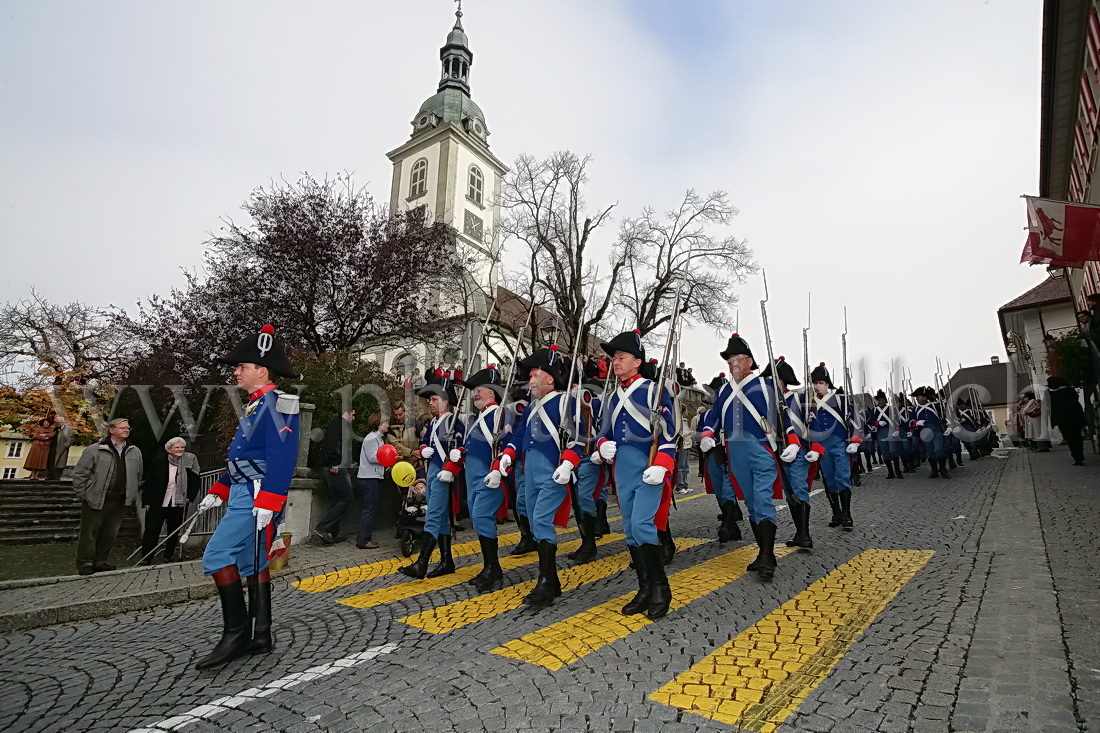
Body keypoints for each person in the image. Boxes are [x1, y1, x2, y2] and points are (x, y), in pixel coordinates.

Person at [194, 324, 299, 670]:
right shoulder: (256, 406)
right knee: (252, 562)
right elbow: (243, 458)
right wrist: (218, 490)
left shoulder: (279, 405)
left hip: (256, 497)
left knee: (217, 553)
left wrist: (270, 502)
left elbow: (282, 458)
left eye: (242, 366)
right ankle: (261, 635)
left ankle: (235, 634)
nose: (236, 371)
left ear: (261, 370)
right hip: (244, 492)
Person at [596, 329, 676, 618]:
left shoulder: (655, 391)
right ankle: (643, 588)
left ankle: (660, 587)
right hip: (623, 471)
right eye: (614, 358)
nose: (615, 362)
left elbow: (670, 434)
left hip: (649, 467)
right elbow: (602, 433)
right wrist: (602, 445)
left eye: (621, 357)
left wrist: (662, 464)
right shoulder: (611, 397)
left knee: (643, 525)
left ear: (637, 361)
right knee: (630, 529)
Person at [493, 346, 575, 609]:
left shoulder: (564, 402)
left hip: (554, 474)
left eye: (535, 374)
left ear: (550, 378)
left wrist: (568, 464)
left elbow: (579, 438)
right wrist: (507, 455)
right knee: (533, 518)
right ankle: (553, 581)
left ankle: (544, 583)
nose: (530, 379)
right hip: (529, 475)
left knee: (540, 522)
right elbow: (518, 439)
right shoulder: (529, 409)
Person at [700, 335, 784, 578]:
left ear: (749, 361)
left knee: (762, 499)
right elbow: (714, 416)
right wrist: (707, 433)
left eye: (737, 360)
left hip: (760, 450)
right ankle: (762, 552)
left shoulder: (765, 386)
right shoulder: (723, 391)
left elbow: (782, 415)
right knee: (751, 503)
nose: (733, 365)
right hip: (734, 454)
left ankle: (768, 556)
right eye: (729, 361)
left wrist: (791, 440)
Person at [399, 372, 465, 579]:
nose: (431, 402)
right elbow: (425, 442)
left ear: (445, 401)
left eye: (434, 399)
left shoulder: (455, 423)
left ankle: (422, 563)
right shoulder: (434, 423)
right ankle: (447, 561)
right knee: (443, 519)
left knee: (434, 516)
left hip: (446, 474)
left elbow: (461, 449)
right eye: (430, 399)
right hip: (433, 471)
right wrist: (424, 448)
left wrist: (453, 463)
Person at [71, 418, 143, 575]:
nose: (127, 430)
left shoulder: (135, 451)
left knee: (110, 533)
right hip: (96, 498)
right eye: (123, 427)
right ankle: (85, 563)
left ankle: (100, 561)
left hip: (120, 500)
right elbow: (80, 474)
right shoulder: (95, 450)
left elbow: (138, 474)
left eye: (128, 427)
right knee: (89, 533)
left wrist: (131, 493)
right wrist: (83, 494)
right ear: (111, 430)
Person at [760, 356, 818, 549]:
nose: (769, 381)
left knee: (799, 488)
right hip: (778, 450)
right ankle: (800, 533)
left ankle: (805, 534)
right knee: (790, 492)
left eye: (772, 378)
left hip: (799, 449)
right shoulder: (765, 401)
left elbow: (814, 424)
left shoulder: (799, 398)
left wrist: (816, 449)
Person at [462, 365, 508, 589]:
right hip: (473, 479)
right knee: (478, 520)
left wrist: (498, 469)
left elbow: (507, 444)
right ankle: (490, 567)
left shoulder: (499, 414)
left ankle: (493, 568)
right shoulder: (477, 418)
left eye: (479, 390)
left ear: (491, 391)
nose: (475, 394)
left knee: (482, 517)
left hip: (489, 476)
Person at [808, 363, 861, 526]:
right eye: (815, 383)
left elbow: (856, 422)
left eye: (821, 383)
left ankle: (847, 514)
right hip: (822, 447)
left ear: (827, 385)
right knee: (829, 480)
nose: (818, 386)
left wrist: (855, 441)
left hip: (839, 444)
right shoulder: (809, 403)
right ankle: (836, 513)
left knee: (842, 478)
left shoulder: (840, 400)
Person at [140, 437, 201, 564]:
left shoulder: (188, 462)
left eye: (182, 447)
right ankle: (147, 557)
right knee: (152, 529)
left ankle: (168, 556)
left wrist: (190, 496)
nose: (180, 450)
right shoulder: (159, 462)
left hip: (178, 502)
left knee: (173, 530)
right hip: (158, 501)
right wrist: (146, 501)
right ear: (169, 450)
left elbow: (195, 481)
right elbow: (149, 482)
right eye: (177, 447)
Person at [314, 408, 356, 545]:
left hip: (335, 465)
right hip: (336, 467)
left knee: (337, 499)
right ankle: (323, 527)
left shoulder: (338, 426)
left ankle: (332, 533)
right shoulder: (338, 425)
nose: (354, 418)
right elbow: (331, 445)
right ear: (348, 413)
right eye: (353, 415)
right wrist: (335, 463)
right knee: (347, 498)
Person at [356, 413, 387, 550]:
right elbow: (373, 458)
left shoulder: (378, 439)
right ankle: (363, 539)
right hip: (369, 477)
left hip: (374, 476)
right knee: (369, 509)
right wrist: (389, 458)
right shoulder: (372, 439)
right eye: (385, 423)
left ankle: (365, 538)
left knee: (371, 508)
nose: (388, 425)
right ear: (378, 424)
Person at [911, 385, 950, 478]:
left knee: (939, 449)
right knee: (930, 452)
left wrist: (949, 427)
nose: (918, 399)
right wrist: (916, 422)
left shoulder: (935, 405)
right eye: (918, 397)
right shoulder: (915, 409)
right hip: (925, 432)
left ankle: (943, 470)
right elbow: (911, 421)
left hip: (937, 431)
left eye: (920, 397)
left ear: (925, 397)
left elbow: (945, 417)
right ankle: (934, 470)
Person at [1047, 375, 1087, 465]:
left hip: (1063, 420)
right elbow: (1076, 400)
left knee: (1070, 438)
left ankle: (1077, 457)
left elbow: (1050, 407)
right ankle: (1080, 454)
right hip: (1075, 417)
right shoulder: (1069, 390)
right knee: (1077, 437)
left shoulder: (1051, 394)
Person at [675, 406, 693, 494]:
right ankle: (680, 486)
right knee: (681, 467)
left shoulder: (685, 421)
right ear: (683, 411)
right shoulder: (679, 421)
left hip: (688, 445)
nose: (687, 412)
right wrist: (690, 432)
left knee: (686, 467)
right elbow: (681, 433)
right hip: (683, 446)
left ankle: (685, 485)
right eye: (686, 410)